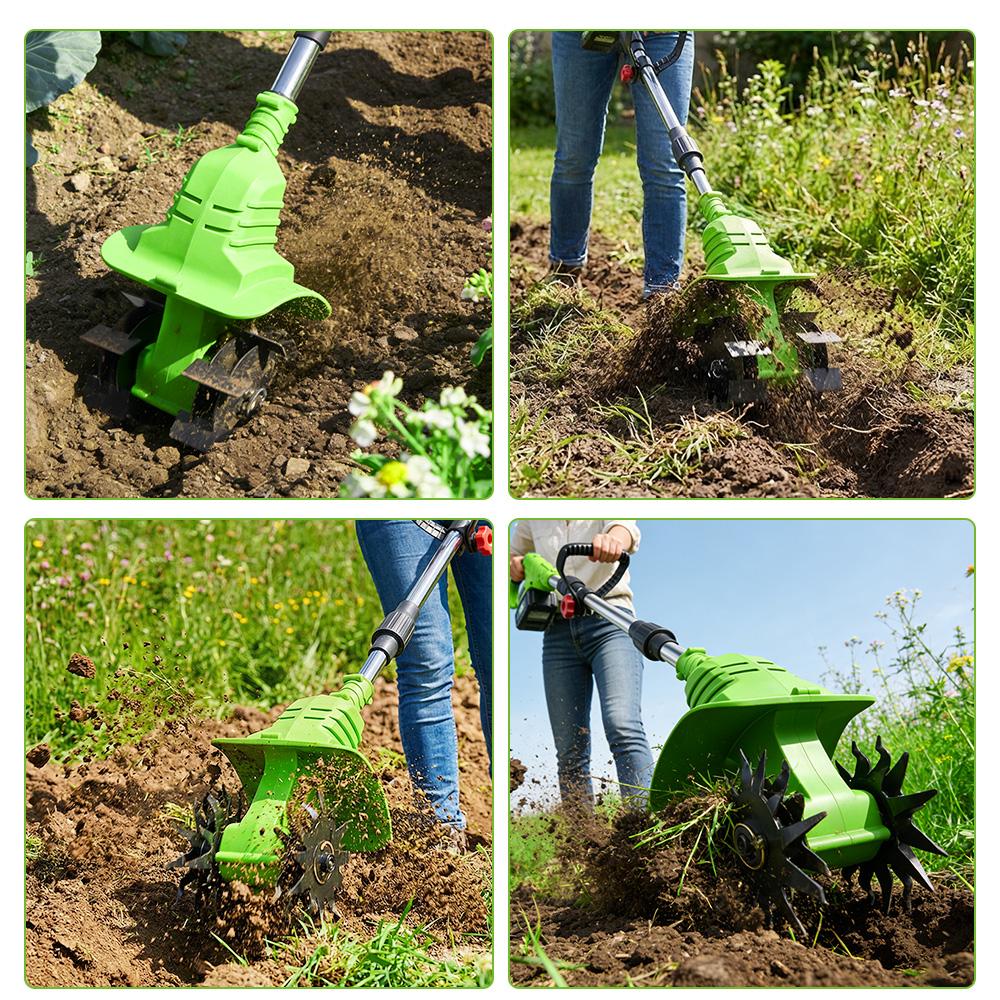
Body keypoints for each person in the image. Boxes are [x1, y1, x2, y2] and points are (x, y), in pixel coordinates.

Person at [356, 520, 492, 844]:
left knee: (497, 662)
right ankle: (440, 833)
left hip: (479, 499)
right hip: (400, 504)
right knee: (424, 666)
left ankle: (511, 816)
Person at [510, 520, 654, 809]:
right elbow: (512, 555)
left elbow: (624, 528)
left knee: (622, 724)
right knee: (569, 748)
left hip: (611, 620)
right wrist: (514, 566)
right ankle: (583, 842)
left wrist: (614, 541)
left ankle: (645, 828)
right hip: (558, 633)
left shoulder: (601, 498)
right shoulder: (531, 514)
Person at [548, 31, 695, 298]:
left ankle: (662, 292)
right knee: (574, 157)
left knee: (664, 164)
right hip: (581, 26)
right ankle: (564, 271)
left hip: (662, 30)